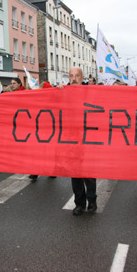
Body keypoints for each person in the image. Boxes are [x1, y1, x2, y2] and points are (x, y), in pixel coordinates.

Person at [57, 67, 97, 216]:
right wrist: (57, 92)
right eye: (71, 76)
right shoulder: (64, 92)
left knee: (89, 173)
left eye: (77, 76)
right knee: (75, 174)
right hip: (71, 141)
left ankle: (92, 200)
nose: (73, 78)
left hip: (88, 140)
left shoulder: (91, 93)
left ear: (82, 77)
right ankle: (79, 203)